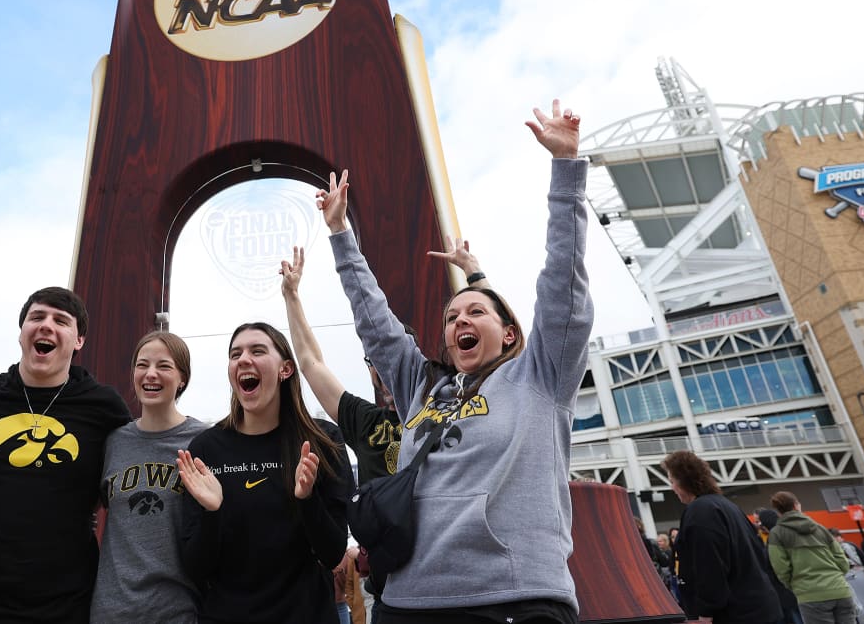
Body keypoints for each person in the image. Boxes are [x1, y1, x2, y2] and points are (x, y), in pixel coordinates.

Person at [318, 99, 594, 623]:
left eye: (475, 311)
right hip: (406, 601)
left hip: (510, 599)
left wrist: (566, 170)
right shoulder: (423, 388)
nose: (459, 321)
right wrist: (340, 235)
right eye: (451, 317)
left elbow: (565, 286)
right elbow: (376, 324)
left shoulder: (540, 376)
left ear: (509, 331)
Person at [283, 244, 488, 622]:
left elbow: (500, 358)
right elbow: (311, 364)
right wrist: (292, 297)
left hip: (465, 584)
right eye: (373, 361)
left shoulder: (458, 403)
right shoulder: (367, 421)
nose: (382, 367)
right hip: (393, 590)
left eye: (389, 358)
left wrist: (475, 277)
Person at [0, 286, 131, 623]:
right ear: (22, 332)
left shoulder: (104, 407)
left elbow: (137, 467)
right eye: (36, 317)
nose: (46, 326)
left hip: (63, 605)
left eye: (61, 321)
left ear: (79, 340)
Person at [177, 321, 353, 623]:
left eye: (257, 351)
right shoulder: (206, 448)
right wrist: (211, 511)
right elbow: (195, 568)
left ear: (285, 369)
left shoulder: (322, 441)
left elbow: (333, 553)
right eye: (235, 354)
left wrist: (307, 499)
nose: (244, 359)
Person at [91, 331, 205, 623]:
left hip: (178, 612)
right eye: (142, 365)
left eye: (164, 366)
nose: (150, 374)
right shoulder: (113, 442)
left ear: (182, 378)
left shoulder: (204, 442)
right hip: (110, 612)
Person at [662, 450, 780, 623]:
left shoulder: (700, 512)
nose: (672, 487)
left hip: (734, 614)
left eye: (672, 481)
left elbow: (709, 566)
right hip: (757, 607)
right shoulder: (727, 506)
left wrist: (705, 614)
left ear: (684, 481)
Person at [765, 491, 857, 624]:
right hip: (840, 590)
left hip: (809, 594)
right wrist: (838, 576)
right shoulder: (820, 528)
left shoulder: (776, 534)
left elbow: (781, 568)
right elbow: (841, 558)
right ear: (796, 505)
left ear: (778, 510)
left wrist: (795, 586)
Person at [754, 509, 803, 624]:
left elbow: (780, 569)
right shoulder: (791, 536)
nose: (758, 526)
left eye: (758, 522)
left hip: (787, 594)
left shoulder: (774, 541)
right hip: (798, 592)